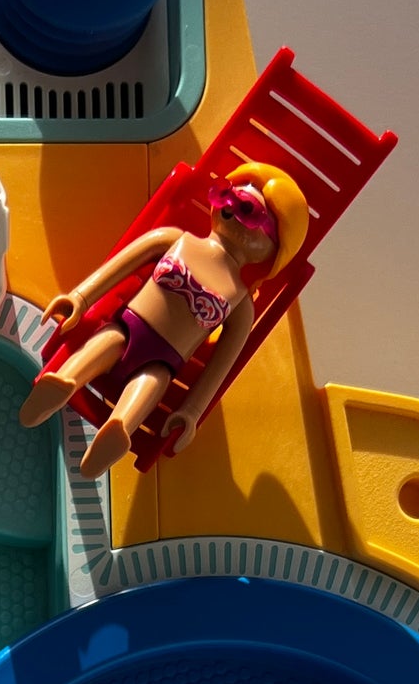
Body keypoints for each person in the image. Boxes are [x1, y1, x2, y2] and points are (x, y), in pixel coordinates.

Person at [20, 163, 310, 476]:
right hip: (128, 327)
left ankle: (119, 428)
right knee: (107, 342)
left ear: (273, 249)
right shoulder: (174, 239)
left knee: (152, 381)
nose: (232, 209)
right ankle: (65, 382)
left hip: (164, 360)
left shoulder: (240, 304)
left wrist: (192, 411)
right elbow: (122, 263)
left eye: (248, 210)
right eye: (228, 196)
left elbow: (221, 366)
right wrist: (80, 297)